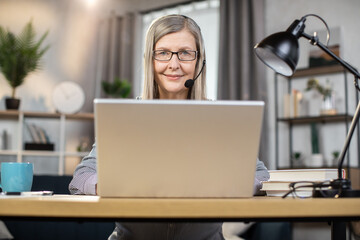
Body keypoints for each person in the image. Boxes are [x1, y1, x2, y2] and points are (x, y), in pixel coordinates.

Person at [69, 14, 269, 240]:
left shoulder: (218, 118)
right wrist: (119, 185)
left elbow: (262, 176)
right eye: (163, 53)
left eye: (185, 53)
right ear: (150, 60)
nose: (174, 64)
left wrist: (229, 186)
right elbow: (80, 179)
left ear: (199, 60)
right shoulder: (127, 116)